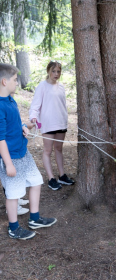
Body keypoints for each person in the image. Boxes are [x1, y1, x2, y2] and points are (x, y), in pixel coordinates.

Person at [0, 63, 57, 240]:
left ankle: (34, 218)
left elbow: (13, 125)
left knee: (36, 181)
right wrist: (8, 164)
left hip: (23, 152)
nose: (17, 83)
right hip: (11, 157)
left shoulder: (10, 100)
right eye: (15, 80)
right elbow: (1, 139)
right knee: (14, 193)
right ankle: (14, 228)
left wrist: (24, 127)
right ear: (4, 81)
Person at [29, 61, 74, 191]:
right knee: (48, 150)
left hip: (61, 121)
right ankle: (51, 179)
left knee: (59, 149)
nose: (56, 74)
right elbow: (35, 105)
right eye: (53, 71)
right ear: (48, 71)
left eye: (58, 71)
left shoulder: (61, 87)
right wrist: (33, 117)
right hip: (48, 122)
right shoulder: (42, 86)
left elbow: (61, 105)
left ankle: (62, 176)